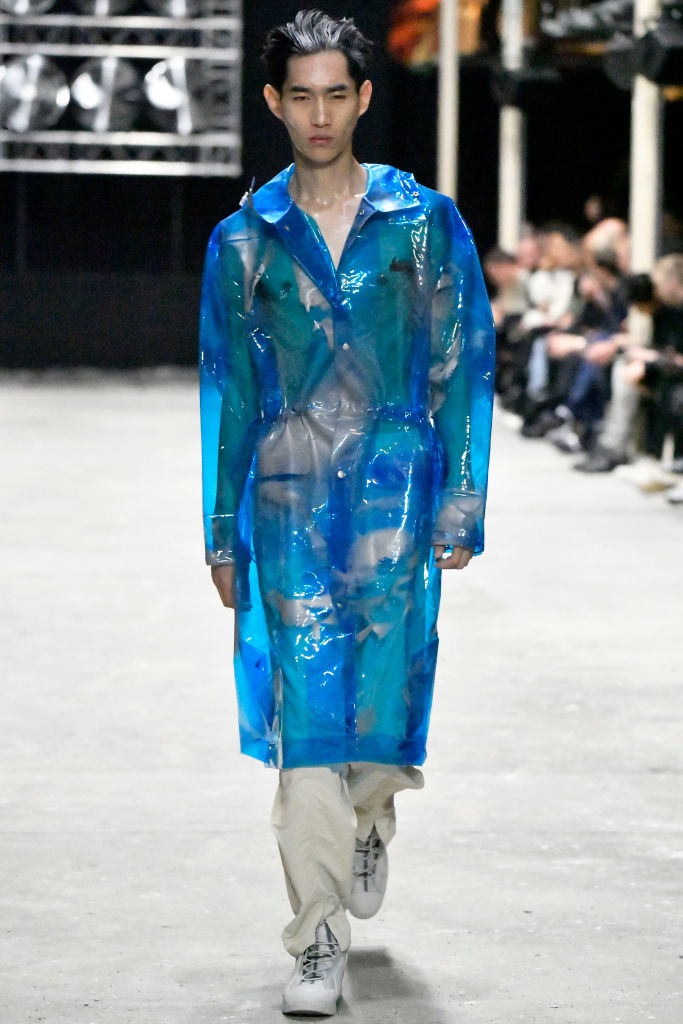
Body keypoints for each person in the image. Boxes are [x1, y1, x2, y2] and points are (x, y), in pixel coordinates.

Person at [198, 9, 494, 1017]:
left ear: (363, 98)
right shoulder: (244, 240)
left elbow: (461, 362)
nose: (319, 115)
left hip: (394, 492)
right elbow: (230, 389)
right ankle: (317, 931)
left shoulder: (421, 223)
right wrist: (218, 527)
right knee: (305, 713)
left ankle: (370, 817)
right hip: (286, 498)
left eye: (336, 94)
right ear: (273, 103)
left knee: (383, 694)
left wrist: (463, 495)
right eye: (301, 97)